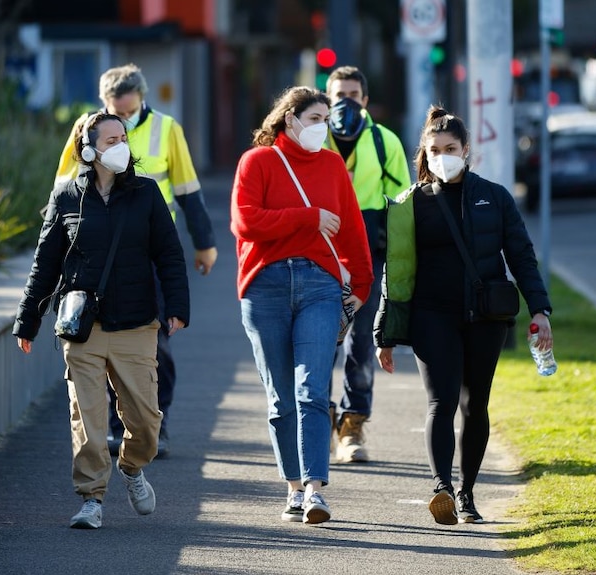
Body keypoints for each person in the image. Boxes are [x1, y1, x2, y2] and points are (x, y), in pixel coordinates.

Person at [373, 105, 553, 525]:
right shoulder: (409, 204)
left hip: (485, 318)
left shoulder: (495, 196)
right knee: (442, 400)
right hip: (431, 316)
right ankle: (442, 488)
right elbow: (395, 272)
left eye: (450, 148)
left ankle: (468, 493)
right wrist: (384, 333)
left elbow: (522, 257)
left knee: (476, 404)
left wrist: (540, 310)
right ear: (424, 152)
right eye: (433, 149)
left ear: (466, 149)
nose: (442, 155)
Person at [13, 113, 190, 529]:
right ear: (88, 149)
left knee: (146, 423)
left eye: (123, 138)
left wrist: (177, 306)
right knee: (88, 421)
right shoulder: (66, 198)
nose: (122, 145)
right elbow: (45, 263)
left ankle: (131, 468)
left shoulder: (146, 194)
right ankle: (91, 498)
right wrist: (28, 320)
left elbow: (169, 254)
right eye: (111, 139)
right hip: (83, 328)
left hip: (135, 324)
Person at [55, 63, 216, 459]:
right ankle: (115, 428)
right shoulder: (86, 129)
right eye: (114, 109)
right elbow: (61, 192)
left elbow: (188, 189)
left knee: (154, 346)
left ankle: (152, 425)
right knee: (101, 341)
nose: (120, 118)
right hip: (97, 257)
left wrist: (204, 243)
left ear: (141, 99)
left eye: (126, 112)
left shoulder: (167, 129)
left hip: (150, 253)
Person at [230, 86, 374, 524]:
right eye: (314, 118)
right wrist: (306, 217)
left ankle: (315, 491)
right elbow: (245, 221)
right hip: (265, 285)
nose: (322, 127)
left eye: (325, 120)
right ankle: (293, 489)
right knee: (280, 396)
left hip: (320, 287)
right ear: (289, 119)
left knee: (313, 389)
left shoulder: (332, 165)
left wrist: (362, 286)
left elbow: (352, 230)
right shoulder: (257, 161)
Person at [324, 65, 411, 463]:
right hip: (318, 250)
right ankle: (319, 421)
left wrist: (400, 262)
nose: (345, 102)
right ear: (326, 98)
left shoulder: (385, 142)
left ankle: (352, 426)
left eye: (353, 94)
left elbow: (403, 208)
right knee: (318, 337)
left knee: (361, 341)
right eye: (338, 94)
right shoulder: (311, 137)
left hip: (367, 254)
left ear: (366, 100)